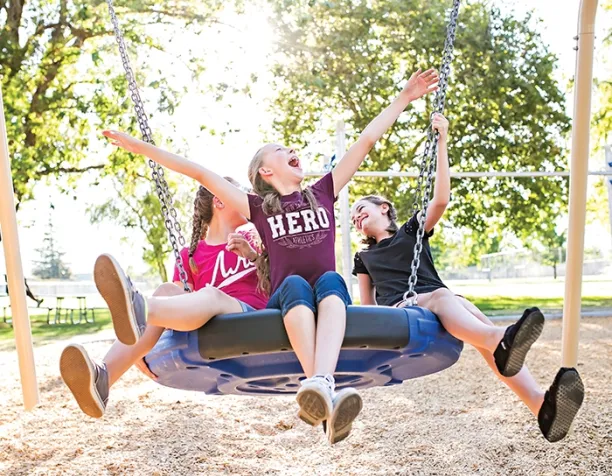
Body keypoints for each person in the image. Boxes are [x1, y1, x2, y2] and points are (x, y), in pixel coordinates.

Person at [102, 68, 439, 444]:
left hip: (326, 296)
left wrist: (405, 97)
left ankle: (321, 386)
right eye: (281, 150)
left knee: (330, 280)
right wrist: (139, 147)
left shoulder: (324, 192)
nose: (291, 150)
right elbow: (197, 171)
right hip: (285, 299)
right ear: (266, 170)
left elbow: (366, 140)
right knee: (295, 282)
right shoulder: (259, 207)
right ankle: (321, 385)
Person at [350, 113, 584, 443]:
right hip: (404, 311)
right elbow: (366, 304)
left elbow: (441, 199)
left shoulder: (411, 233)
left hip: (438, 300)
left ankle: (541, 407)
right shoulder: (364, 257)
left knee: (471, 314)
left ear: (384, 208)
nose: (356, 217)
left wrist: (443, 137)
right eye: (353, 218)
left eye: (362, 209)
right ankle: (500, 338)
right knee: (450, 301)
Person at [60, 180, 267, 418]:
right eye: (243, 192)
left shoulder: (257, 240)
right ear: (220, 200)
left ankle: (138, 309)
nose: (252, 197)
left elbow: (278, 278)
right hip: (208, 325)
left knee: (210, 295)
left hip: (251, 317)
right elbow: (174, 306)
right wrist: (135, 347)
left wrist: (253, 256)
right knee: (167, 290)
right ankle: (103, 378)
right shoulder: (190, 255)